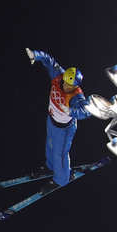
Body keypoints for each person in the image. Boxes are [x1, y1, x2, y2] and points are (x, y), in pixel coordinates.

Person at [25, 47, 91, 191]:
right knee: (49, 144)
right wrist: (35, 55)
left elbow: (87, 111)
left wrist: (71, 111)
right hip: (52, 120)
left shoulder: (77, 96)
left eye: (72, 85)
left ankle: (61, 179)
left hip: (65, 128)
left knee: (60, 153)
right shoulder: (58, 75)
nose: (67, 87)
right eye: (67, 83)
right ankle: (50, 167)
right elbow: (49, 61)